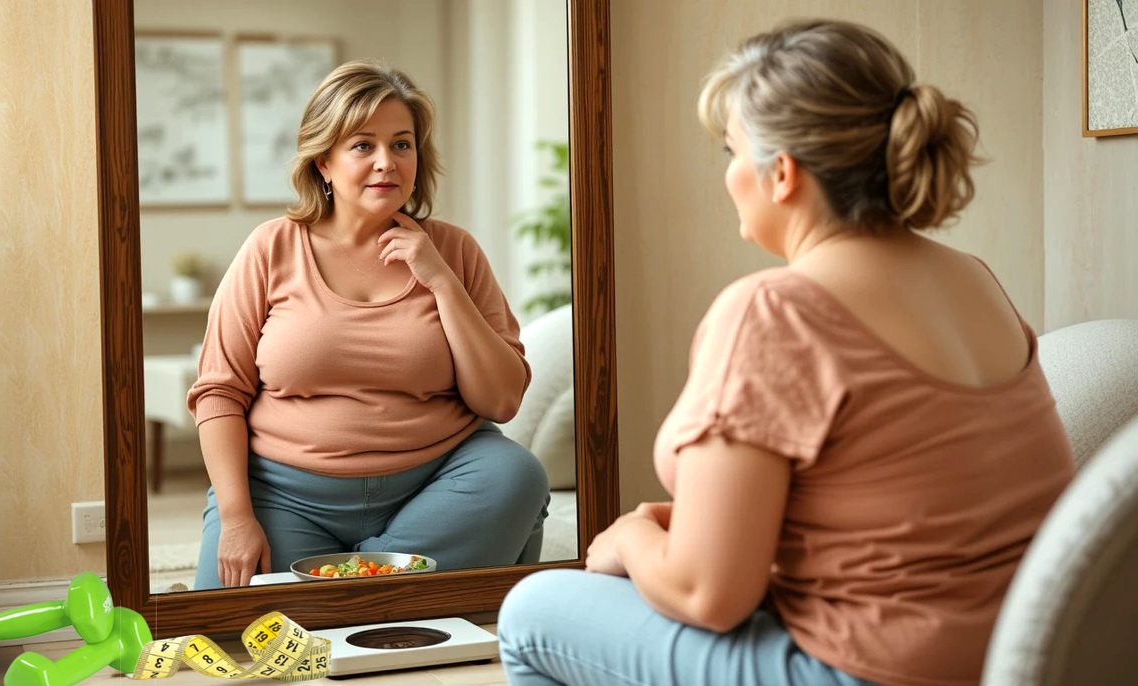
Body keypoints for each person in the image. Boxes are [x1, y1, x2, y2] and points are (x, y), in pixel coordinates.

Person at [498, 19, 1075, 686]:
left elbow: (707, 596)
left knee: (533, 610)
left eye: (730, 151)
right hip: (1023, 659)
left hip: (871, 671)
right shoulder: (977, 280)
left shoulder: (774, 311)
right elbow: (906, 501)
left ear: (782, 174)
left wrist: (628, 537)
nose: (728, 175)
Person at [188, 60, 549, 590]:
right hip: (286, 494)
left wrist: (441, 282)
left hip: (433, 485)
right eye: (363, 145)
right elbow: (219, 391)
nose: (387, 162)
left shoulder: (455, 251)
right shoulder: (271, 247)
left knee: (515, 477)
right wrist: (238, 519)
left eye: (402, 145)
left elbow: (500, 402)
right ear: (324, 163)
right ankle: (390, 584)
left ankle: (343, 585)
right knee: (229, 629)